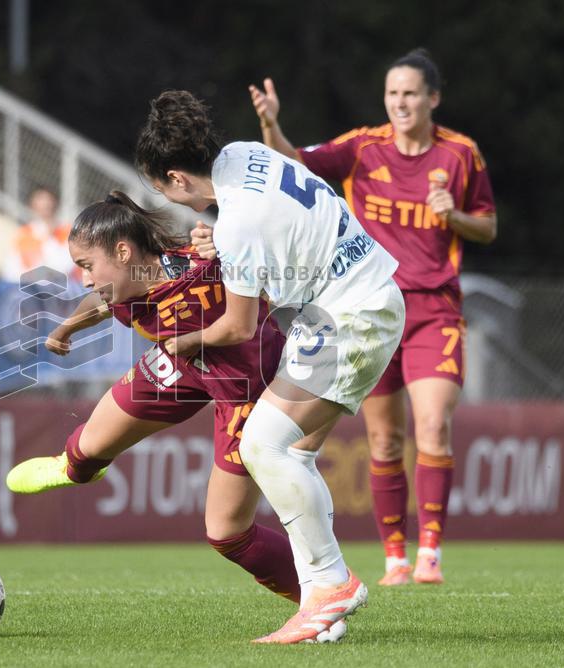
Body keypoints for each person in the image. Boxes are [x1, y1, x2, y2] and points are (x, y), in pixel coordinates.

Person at [5, 191, 348, 643]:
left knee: (226, 532)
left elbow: (258, 275)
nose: (82, 278)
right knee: (85, 451)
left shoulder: (202, 265)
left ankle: (321, 600)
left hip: (241, 388)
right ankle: (74, 468)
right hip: (181, 364)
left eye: (87, 266)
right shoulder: (126, 282)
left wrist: (225, 245)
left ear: (123, 252)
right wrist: (67, 328)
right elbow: (102, 304)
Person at [136, 90, 405, 644]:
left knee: (263, 446)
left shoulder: (237, 223)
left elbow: (235, 327)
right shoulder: (242, 155)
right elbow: (280, 227)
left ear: (177, 177)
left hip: (347, 316)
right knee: (295, 453)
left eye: (164, 190)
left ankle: (331, 585)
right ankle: (320, 608)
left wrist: (185, 342)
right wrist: (225, 247)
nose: (174, 203)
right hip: (359, 298)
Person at [240, 48, 498, 586]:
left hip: (434, 309)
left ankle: (430, 553)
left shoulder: (461, 155)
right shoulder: (363, 147)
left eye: (410, 94)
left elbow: (487, 228)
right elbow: (292, 165)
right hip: (372, 307)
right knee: (383, 441)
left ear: (433, 99)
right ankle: (396, 560)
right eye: (392, 93)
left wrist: (454, 216)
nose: (400, 103)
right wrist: (271, 124)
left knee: (434, 425)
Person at [2, 186, 78, 282]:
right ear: (32, 205)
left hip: (59, 287)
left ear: (55, 204)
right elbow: (10, 271)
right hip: (26, 287)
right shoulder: (23, 234)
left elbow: (65, 268)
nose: (45, 205)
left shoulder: (67, 231)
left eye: (48, 201)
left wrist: (50, 237)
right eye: (40, 200)